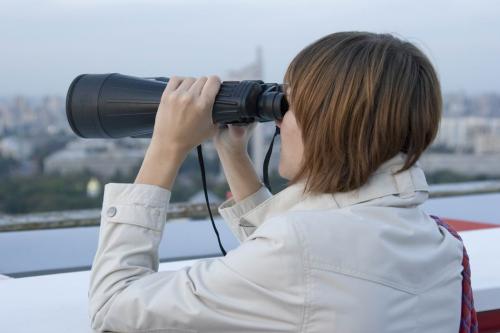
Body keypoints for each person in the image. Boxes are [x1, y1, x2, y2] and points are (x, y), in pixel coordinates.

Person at [89, 31, 466, 332]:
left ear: (330, 123)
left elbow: (114, 305)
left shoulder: (300, 250)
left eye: (289, 107)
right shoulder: (435, 240)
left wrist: (166, 147)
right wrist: (233, 152)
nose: (279, 122)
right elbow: (298, 270)